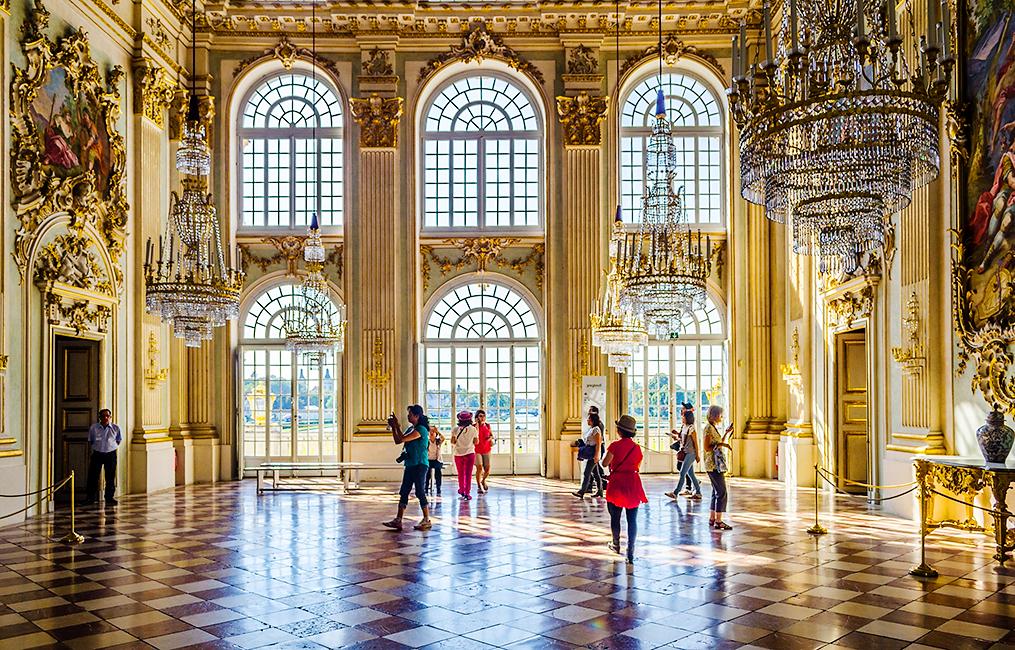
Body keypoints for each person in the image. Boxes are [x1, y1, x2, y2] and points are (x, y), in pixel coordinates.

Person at [601, 414, 647, 563]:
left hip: (617, 482)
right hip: (632, 483)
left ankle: (616, 544)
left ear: (619, 430)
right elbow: (637, 465)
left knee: (615, 516)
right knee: (632, 519)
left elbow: (604, 463)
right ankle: (630, 551)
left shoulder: (614, 445)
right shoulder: (637, 448)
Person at [384, 406, 432, 531]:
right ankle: (398, 519)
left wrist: (397, 426)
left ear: (416, 416)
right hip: (410, 463)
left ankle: (426, 519)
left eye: (410, 414)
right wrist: (394, 427)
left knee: (420, 491)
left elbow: (403, 438)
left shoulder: (421, 429)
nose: (408, 416)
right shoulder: (411, 428)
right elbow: (398, 440)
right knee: (404, 491)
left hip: (420, 464)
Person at [703, 405, 734, 530]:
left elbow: (716, 443)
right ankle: (719, 521)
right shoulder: (709, 429)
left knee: (715, 492)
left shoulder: (712, 428)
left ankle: (712, 518)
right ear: (715, 415)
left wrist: (726, 434)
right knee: (721, 492)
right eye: (720, 414)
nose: (721, 417)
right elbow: (708, 448)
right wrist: (723, 444)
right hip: (713, 465)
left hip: (715, 464)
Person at [84, 409, 121, 506]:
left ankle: (109, 497)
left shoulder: (115, 428)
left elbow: (118, 440)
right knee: (93, 476)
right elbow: (91, 440)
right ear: (99, 417)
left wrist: (110, 447)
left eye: (107, 416)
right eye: (103, 416)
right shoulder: (94, 428)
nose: (105, 418)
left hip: (110, 454)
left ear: (110, 417)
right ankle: (90, 497)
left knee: (110, 476)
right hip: (98, 454)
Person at [666, 409, 702, 500]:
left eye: (683, 416)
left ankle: (675, 493)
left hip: (691, 453)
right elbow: (683, 440)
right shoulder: (684, 427)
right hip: (686, 452)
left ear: (687, 418)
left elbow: (695, 443)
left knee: (682, 472)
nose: (682, 418)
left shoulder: (691, 429)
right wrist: (676, 438)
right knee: (691, 474)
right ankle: (698, 492)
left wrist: (697, 455)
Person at [572, 411, 605, 498]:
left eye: (589, 419)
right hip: (592, 453)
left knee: (587, 473)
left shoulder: (596, 430)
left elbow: (598, 443)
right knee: (596, 474)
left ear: (593, 420)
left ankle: (582, 491)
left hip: (593, 453)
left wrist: (597, 455)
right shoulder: (591, 429)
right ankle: (600, 491)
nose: (587, 420)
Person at [450, 411, 479, 500]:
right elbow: (476, 442)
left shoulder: (455, 429)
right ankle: (467, 492)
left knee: (460, 473)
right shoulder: (473, 429)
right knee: (468, 473)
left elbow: (452, 442)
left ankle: (462, 489)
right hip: (469, 453)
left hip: (458, 454)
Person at [474, 409, 493, 494]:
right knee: (479, 468)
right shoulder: (474, 426)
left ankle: (483, 480)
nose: (482, 418)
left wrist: (490, 438)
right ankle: (478, 486)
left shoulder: (488, 425)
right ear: (477, 417)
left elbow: (492, 435)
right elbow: (475, 435)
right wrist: (477, 425)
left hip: (486, 448)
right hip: (477, 449)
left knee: (487, 469)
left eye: (483, 416)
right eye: (480, 416)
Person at [426, 426, 445, 496]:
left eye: (433, 432)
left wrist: (438, 432)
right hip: (428, 459)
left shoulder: (438, 441)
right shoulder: (427, 442)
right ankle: (426, 486)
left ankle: (438, 487)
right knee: (427, 472)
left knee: (438, 471)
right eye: (430, 431)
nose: (432, 433)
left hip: (437, 460)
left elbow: (443, 438)